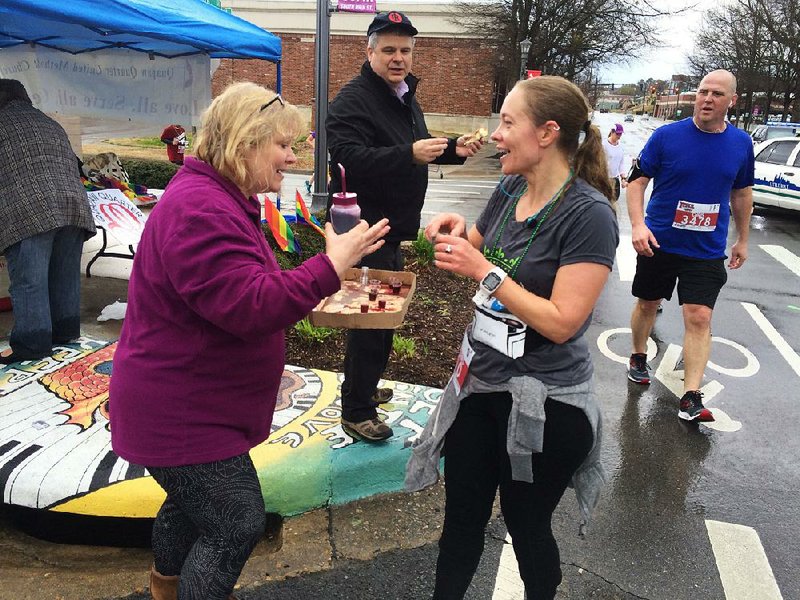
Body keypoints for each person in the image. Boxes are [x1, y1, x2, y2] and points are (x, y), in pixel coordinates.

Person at [109, 82, 389, 600]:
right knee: (235, 522)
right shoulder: (202, 209)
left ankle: (165, 588)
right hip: (183, 413)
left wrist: (324, 271)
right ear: (243, 143)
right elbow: (250, 306)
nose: (292, 157)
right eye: (282, 145)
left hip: (186, 405)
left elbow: (240, 294)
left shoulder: (217, 197)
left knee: (191, 508)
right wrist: (330, 266)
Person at [405, 76, 619, 600]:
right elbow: (474, 252)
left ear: (547, 133)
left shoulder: (589, 215)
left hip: (548, 401)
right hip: (483, 386)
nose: (495, 134)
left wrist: (485, 271)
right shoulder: (508, 190)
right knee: (460, 524)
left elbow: (563, 320)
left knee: (526, 528)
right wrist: (451, 233)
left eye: (507, 122)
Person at [326, 10, 483, 442]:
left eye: (406, 50)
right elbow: (345, 157)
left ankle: (365, 388)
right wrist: (408, 154)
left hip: (391, 228)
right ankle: (356, 410)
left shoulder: (402, 93)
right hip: (364, 232)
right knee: (370, 323)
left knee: (382, 319)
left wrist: (455, 150)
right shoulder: (354, 98)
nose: (399, 58)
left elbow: (417, 147)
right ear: (370, 50)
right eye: (390, 49)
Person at [625, 69, 754, 422]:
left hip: (707, 249)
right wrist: (638, 225)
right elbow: (635, 183)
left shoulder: (741, 143)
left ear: (732, 101)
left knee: (699, 316)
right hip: (660, 242)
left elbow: (741, 193)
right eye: (702, 92)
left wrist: (743, 239)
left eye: (716, 94)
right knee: (648, 303)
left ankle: (691, 395)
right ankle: (638, 354)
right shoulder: (667, 136)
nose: (707, 99)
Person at [0, 79, 96, 365]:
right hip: (73, 206)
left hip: (29, 210)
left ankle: (32, 346)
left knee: (30, 281)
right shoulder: (49, 122)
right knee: (64, 276)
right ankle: (65, 334)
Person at [602, 122, 627, 209]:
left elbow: (621, 163)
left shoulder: (620, 147)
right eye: (617, 134)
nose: (619, 136)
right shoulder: (603, 145)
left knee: (613, 202)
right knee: (604, 203)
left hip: (615, 179)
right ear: (612, 132)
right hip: (604, 179)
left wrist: (623, 178)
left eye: (620, 134)